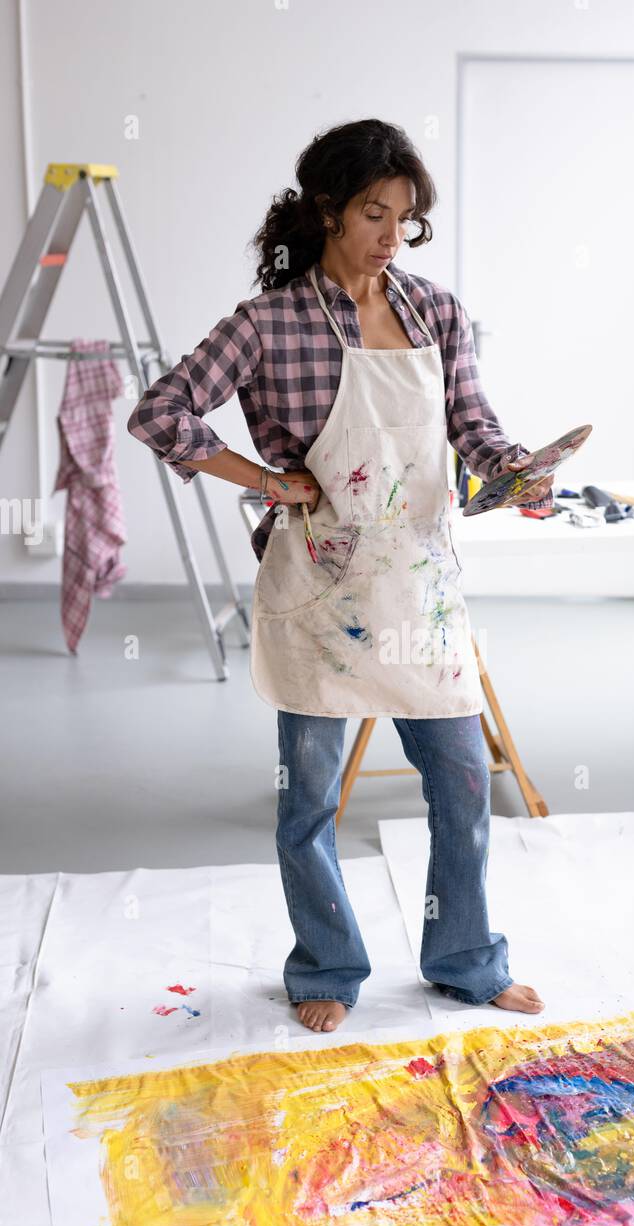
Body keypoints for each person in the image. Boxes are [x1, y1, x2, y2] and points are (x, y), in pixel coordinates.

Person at [128, 118, 552, 1034]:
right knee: (310, 801)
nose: (391, 233)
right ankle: (325, 964)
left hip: (422, 591)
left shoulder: (434, 311)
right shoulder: (267, 322)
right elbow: (160, 412)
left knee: (464, 785)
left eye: (404, 216)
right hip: (322, 594)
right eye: (372, 212)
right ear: (327, 209)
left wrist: (517, 473)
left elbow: (473, 430)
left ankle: (464, 961)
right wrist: (263, 479)